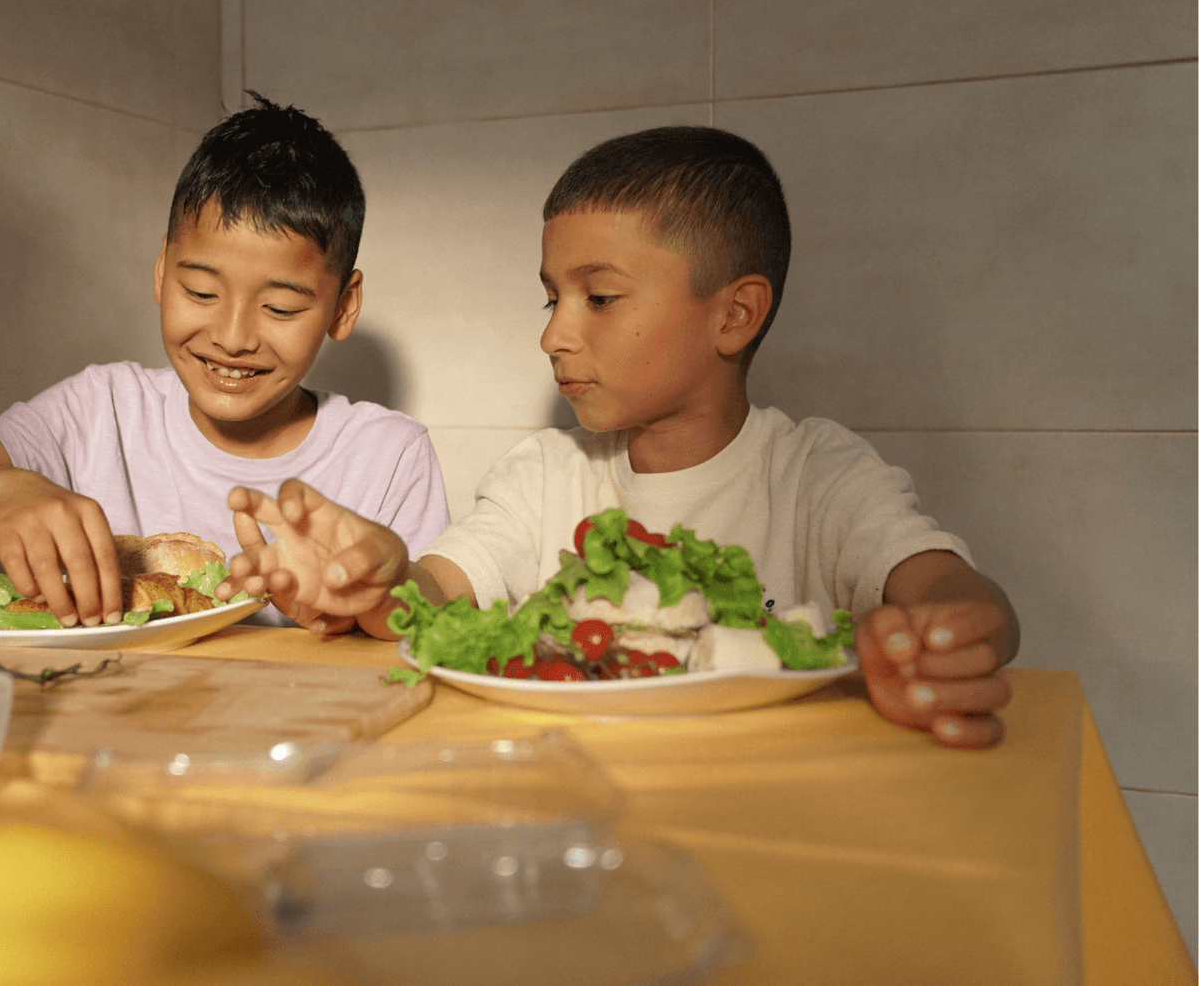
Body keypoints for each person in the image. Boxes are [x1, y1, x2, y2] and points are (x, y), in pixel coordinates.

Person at [216, 125, 1019, 748]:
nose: (554, 335)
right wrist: (375, 584)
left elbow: (957, 593)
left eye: (598, 298)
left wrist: (940, 637)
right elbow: (434, 594)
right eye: (551, 299)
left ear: (734, 315)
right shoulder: (545, 473)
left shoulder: (818, 474)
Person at [0, 93, 450, 630]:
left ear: (343, 306)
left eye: (280, 308)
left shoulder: (388, 456)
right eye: (201, 293)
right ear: (161, 271)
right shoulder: (101, 410)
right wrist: (0, 491)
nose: (232, 337)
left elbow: (427, 626)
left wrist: (365, 601)